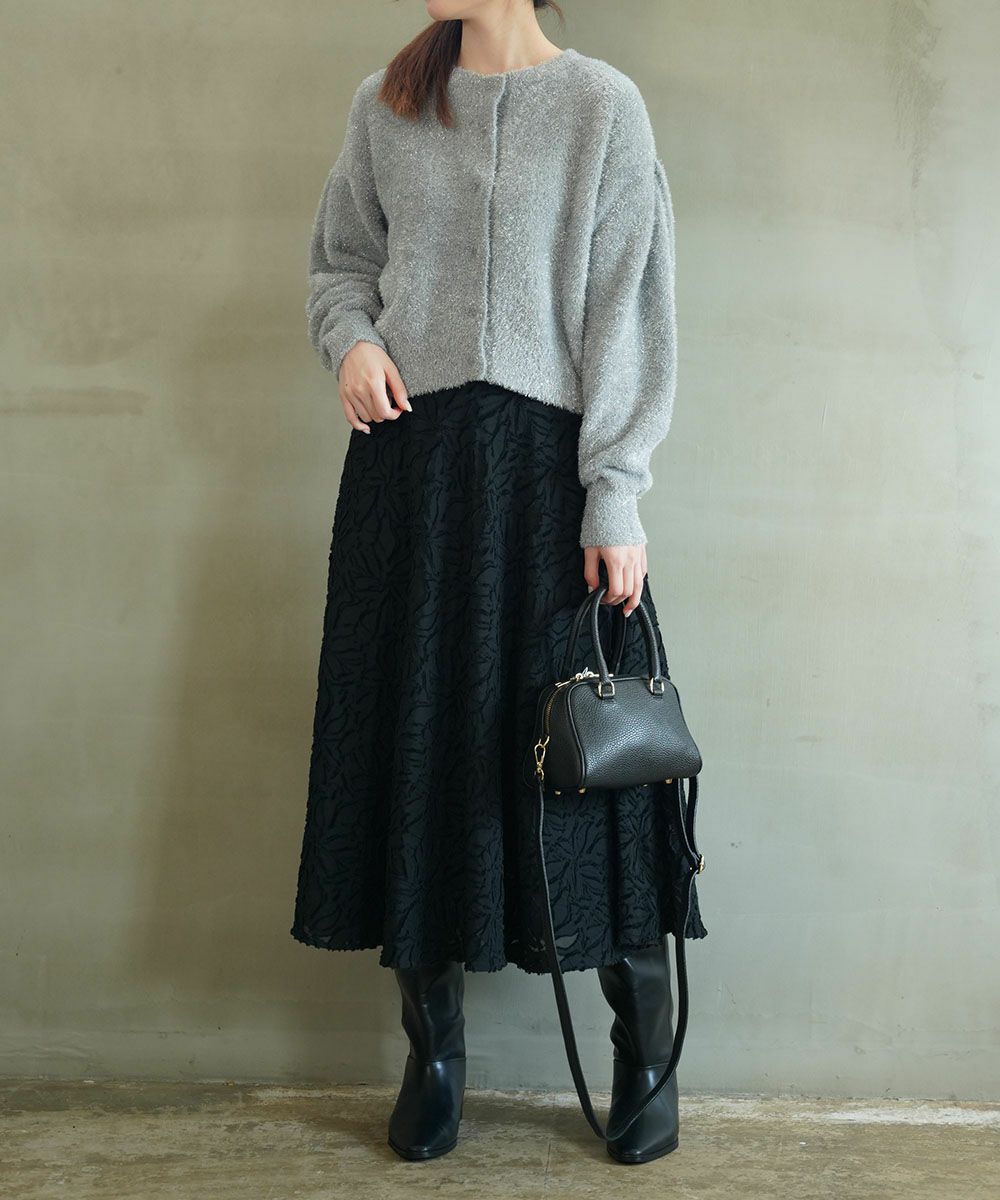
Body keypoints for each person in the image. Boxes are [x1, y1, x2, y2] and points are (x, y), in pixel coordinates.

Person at [289, 0, 707, 1166]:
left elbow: (630, 308)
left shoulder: (602, 107)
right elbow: (340, 265)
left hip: (545, 482)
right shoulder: (387, 104)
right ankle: (432, 1054)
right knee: (415, 746)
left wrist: (613, 494)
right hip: (409, 479)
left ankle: (643, 1048)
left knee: (591, 759)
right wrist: (352, 341)